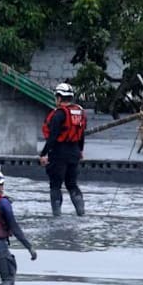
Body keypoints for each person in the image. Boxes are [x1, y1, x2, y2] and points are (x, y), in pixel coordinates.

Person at [39, 82, 87, 216]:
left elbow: (53, 137)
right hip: (75, 152)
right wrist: (81, 150)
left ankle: (56, 215)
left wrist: (43, 154)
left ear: (59, 98)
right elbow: (81, 134)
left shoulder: (59, 114)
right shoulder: (80, 112)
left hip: (59, 153)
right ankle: (81, 213)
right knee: (72, 184)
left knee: (55, 185)